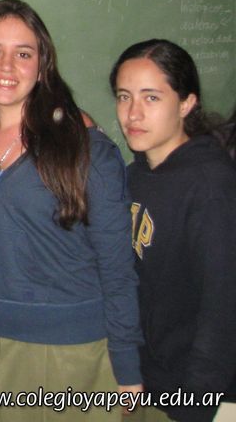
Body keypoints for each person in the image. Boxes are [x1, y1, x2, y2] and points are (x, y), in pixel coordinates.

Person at [0, 0, 142, 422]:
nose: (6, 66)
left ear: (42, 65)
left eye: (23, 54)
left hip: (67, 354)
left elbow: (118, 267)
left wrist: (127, 365)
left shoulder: (86, 149)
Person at [110, 40, 236, 422]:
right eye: (124, 96)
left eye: (151, 97)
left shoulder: (211, 186)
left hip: (198, 396)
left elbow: (222, 309)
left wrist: (194, 405)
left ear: (186, 103)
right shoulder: (133, 177)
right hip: (148, 384)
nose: (133, 113)